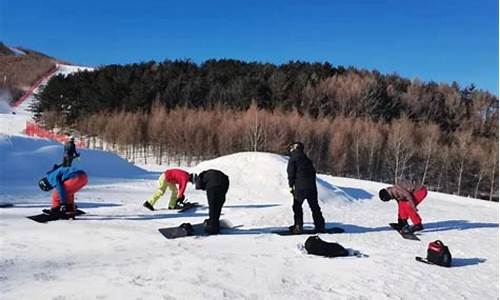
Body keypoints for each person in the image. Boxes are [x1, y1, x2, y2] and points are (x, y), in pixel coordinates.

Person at [286, 141, 325, 234]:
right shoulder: (307, 159)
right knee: (314, 207)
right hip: (312, 187)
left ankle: (298, 226)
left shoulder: (293, 159)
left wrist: (291, 185)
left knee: (297, 206)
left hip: (300, 188)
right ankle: (320, 225)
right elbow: (313, 173)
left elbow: (291, 173)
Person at [192, 169, 230, 234]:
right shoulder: (208, 174)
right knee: (218, 206)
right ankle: (215, 222)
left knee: (212, 206)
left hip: (213, 186)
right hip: (224, 184)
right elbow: (226, 178)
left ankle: (212, 227)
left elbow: (200, 185)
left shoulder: (201, 178)